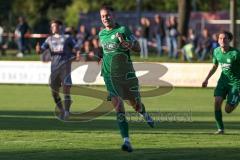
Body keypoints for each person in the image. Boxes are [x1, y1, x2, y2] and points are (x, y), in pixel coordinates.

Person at [98, 5, 154, 152]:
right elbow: (105, 52)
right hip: (109, 76)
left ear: (113, 15)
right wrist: (101, 59)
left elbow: (138, 48)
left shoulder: (123, 30)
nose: (105, 18)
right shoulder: (101, 34)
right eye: (103, 16)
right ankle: (127, 141)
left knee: (134, 105)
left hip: (126, 75)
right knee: (119, 108)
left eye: (108, 15)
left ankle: (143, 112)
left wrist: (127, 44)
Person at [36, 19, 79, 120]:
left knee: (66, 90)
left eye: (55, 26)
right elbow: (41, 50)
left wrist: (77, 54)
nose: (53, 28)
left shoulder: (67, 37)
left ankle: (67, 113)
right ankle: (62, 110)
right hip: (54, 68)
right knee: (54, 92)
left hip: (65, 67)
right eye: (52, 26)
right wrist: (38, 49)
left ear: (60, 27)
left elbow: (76, 46)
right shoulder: (49, 39)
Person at [202, 31, 240, 134]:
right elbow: (215, 66)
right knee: (217, 102)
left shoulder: (236, 54)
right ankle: (220, 129)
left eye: (225, 38)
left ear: (229, 40)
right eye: (220, 38)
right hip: (223, 82)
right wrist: (206, 79)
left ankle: (237, 98)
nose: (222, 40)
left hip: (236, 84)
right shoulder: (216, 51)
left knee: (228, 110)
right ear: (218, 40)